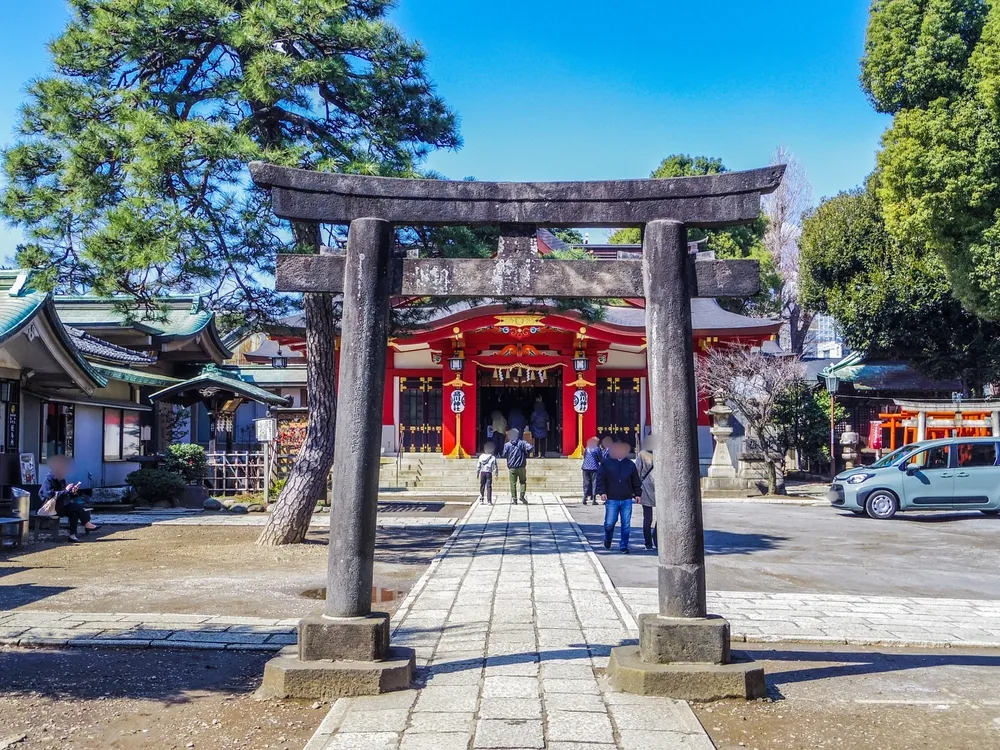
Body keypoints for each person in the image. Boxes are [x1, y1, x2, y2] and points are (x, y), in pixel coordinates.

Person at [596, 440, 642, 554]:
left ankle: (624, 546)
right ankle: (608, 538)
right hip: (612, 498)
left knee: (626, 524)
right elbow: (600, 479)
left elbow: (636, 480)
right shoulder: (606, 463)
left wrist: (637, 494)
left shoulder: (630, 464)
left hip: (627, 498)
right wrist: (602, 492)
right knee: (609, 523)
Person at [40, 455, 99, 543]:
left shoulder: (61, 479)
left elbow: (65, 495)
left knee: (74, 513)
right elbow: (49, 494)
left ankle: (72, 536)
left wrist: (72, 492)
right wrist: (66, 490)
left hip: (60, 505)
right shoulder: (49, 479)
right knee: (76, 507)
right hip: (49, 508)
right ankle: (87, 523)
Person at [635, 436, 656, 550]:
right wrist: (636, 490)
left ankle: (656, 537)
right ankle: (648, 542)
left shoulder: (663, 452)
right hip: (646, 489)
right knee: (648, 519)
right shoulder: (642, 454)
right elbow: (637, 472)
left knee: (662, 518)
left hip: (660, 489)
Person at [501, 428, 533, 504]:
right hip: (521, 466)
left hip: (512, 467)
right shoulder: (522, 443)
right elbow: (531, 447)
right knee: (523, 482)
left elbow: (503, 454)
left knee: (513, 483)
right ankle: (522, 496)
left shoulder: (507, 445)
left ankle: (514, 499)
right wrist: (526, 453)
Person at [581, 436, 603, 505]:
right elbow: (600, 458)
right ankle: (593, 499)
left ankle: (585, 497)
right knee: (594, 483)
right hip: (594, 468)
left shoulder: (587, 448)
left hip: (585, 467)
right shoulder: (597, 449)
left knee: (586, 483)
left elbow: (584, 456)